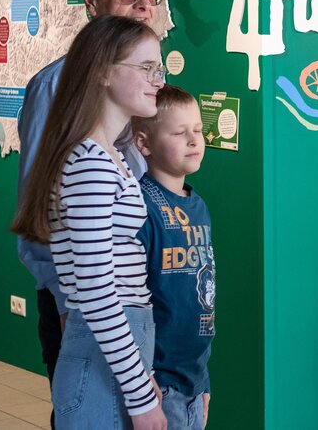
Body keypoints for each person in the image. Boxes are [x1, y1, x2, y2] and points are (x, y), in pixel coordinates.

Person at [15, 0, 163, 426]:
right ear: (92, 0)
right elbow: (45, 217)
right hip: (85, 312)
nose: (143, 6)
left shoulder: (124, 116)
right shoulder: (60, 97)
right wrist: (67, 304)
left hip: (120, 319)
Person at [132, 85, 215, 430]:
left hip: (192, 379)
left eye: (198, 129)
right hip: (157, 382)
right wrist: (141, 379)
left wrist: (203, 381)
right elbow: (129, 301)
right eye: (180, 133)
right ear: (144, 143)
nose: (194, 140)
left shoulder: (199, 206)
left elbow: (202, 299)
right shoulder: (140, 206)